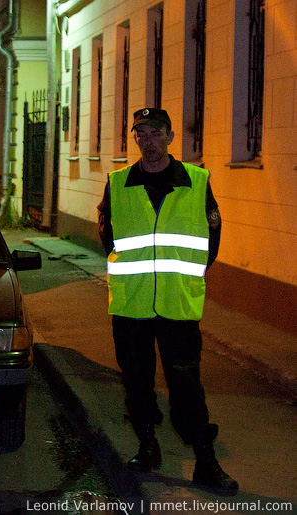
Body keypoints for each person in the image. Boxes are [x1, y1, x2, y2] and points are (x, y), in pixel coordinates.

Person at [98, 108, 238, 496]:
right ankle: (148, 446)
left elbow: (211, 237)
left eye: (155, 133)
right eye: (141, 134)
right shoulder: (118, 182)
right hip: (132, 303)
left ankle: (206, 461)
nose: (148, 141)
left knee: (186, 383)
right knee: (136, 380)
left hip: (177, 303)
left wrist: (188, 275)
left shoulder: (195, 180)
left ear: (170, 137)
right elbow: (108, 235)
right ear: (136, 139)